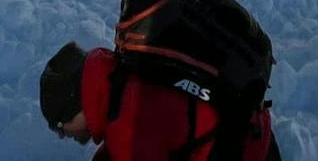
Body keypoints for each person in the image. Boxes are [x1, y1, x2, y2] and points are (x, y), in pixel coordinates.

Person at [39, 41, 279, 160]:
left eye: (61, 128)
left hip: (246, 151)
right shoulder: (122, 76)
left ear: (75, 105)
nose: (68, 136)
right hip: (250, 124)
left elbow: (134, 142)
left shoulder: (129, 121)